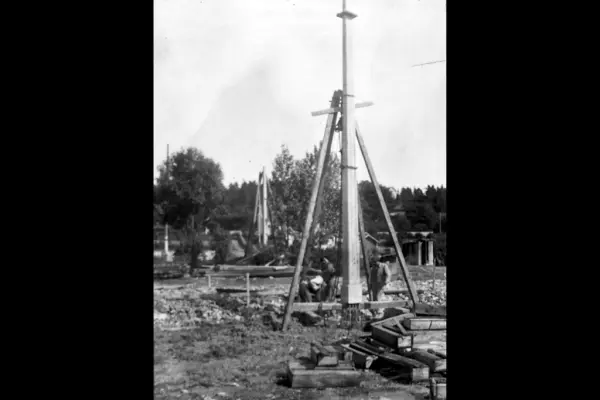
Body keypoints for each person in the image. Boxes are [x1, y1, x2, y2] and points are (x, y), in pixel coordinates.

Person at [369, 251, 391, 317]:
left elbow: (388, 274)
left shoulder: (384, 266)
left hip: (380, 284)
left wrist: (386, 281)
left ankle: (379, 311)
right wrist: (370, 285)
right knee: (374, 297)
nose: (374, 263)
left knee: (378, 296)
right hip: (374, 284)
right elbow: (371, 276)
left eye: (375, 262)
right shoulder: (373, 268)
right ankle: (375, 311)